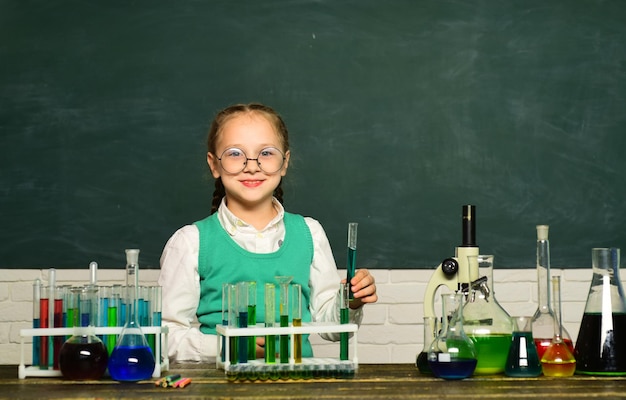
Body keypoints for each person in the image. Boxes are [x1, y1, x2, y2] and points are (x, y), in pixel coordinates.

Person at [158, 103, 378, 363]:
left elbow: (332, 329)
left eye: (266, 153)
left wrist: (350, 302)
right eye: (235, 153)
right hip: (222, 389)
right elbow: (165, 338)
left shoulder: (310, 233)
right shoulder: (190, 242)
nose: (252, 166)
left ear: (284, 162)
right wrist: (231, 346)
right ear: (214, 165)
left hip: (299, 387)